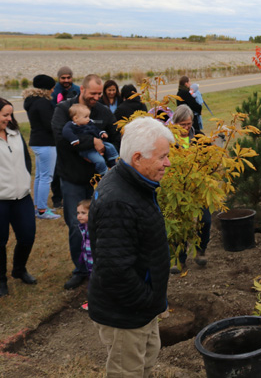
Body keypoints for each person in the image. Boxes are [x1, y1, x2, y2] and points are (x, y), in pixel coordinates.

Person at [88, 116, 174, 376]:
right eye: (162, 157)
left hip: (141, 309)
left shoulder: (136, 185)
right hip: (126, 314)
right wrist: (148, 301)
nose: (168, 163)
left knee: (144, 365)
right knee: (128, 372)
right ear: (138, 158)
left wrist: (154, 300)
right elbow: (115, 271)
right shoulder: (118, 201)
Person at [52, 74, 121, 290]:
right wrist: (91, 142)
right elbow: (61, 139)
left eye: (100, 94)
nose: (97, 97)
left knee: (102, 222)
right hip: (72, 177)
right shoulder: (65, 109)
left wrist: (108, 151)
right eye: (93, 93)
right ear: (82, 90)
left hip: (98, 179)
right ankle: (80, 270)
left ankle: (100, 267)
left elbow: (114, 136)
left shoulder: (102, 111)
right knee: (75, 224)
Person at [0, 98, 37, 297]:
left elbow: (26, 158)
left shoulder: (14, 132)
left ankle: (19, 270)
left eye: (11, 114)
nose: (9, 118)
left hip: (22, 196)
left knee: (27, 236)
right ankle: (0, 280)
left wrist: (26, 178)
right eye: (5, 115)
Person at [169, 105, 210, 271]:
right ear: (175, 123)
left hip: (198, 187)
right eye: (182, 125)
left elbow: (209, 159)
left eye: (188, 124)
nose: (186, 128)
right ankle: (179, 259)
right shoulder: (169, 140)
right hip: (177, 188)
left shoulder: (199, 137)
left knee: (205, 219)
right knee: (178, 222)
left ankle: (201, 250)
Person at [23, 74, 60, 219]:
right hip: (46, 143)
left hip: (37, 142)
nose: (53, 90)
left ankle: (38, 207)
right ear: (46, 88)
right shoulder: (43, 103)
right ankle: (43, 211)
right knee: (46, 177)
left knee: (39, 176)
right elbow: (49, 124)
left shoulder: (31, 101)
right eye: (52, 87)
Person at [50, 66, 80, 208]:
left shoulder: (77, 90)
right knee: (56, 168)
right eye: (63, 78)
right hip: (57, 133)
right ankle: (57, 198)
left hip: (75, 133)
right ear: (59, 78)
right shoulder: (53, 91)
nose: (66, 80)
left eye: (69, 77)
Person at [63, 104, 120, 176]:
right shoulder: (71, 125)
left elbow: (95, 129)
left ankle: (114, 160)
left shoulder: (89, 123)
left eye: (88, 116)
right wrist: (73, 139)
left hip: (97, 143)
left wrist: (101, 133)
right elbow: (66, 132)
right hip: (87, 149)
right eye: (85, 117)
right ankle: (104, 173)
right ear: (76, 118)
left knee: (110, 146)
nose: (88, 119)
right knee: (100, 160)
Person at [76, 199, 93, 311]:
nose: (79, 216)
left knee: (95, 284)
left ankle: (93, 303)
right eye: (78, 213)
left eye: (83, 213)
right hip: (89, 261)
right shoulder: (83, 227)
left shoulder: (93, 229)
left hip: (95, 263)